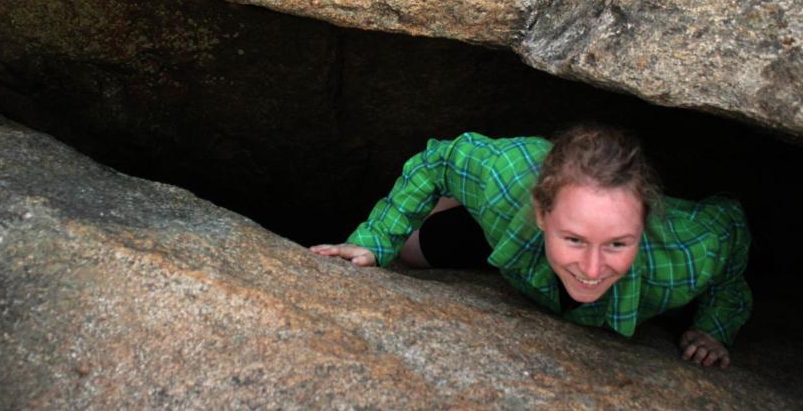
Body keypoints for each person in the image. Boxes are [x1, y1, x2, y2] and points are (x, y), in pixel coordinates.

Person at [310, 124, 751, 368]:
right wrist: (373, 240)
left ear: (644, 227)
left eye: (617, 243)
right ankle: (456, 206)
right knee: (409, 251)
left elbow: (731, 222)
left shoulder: (686, 260)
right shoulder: (506, 182)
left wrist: (714, 326)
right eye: (575, 239)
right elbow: (440, 158)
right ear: (542, 214)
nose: (593, 268)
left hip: (533, 241)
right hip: (510, 232)